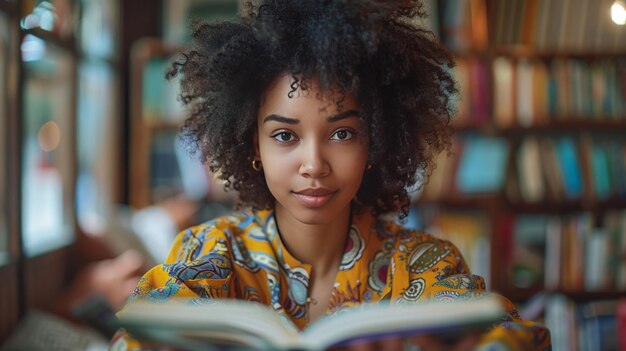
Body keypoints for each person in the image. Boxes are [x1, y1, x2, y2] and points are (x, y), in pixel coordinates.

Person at [111, 1, 551, 350]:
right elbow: (134, 337)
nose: (314, 163)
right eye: (285, 135)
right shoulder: (208, 252)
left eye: (342, 133)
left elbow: (516, 338)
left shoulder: (424, 263)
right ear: (253, 148)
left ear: (375, 142)